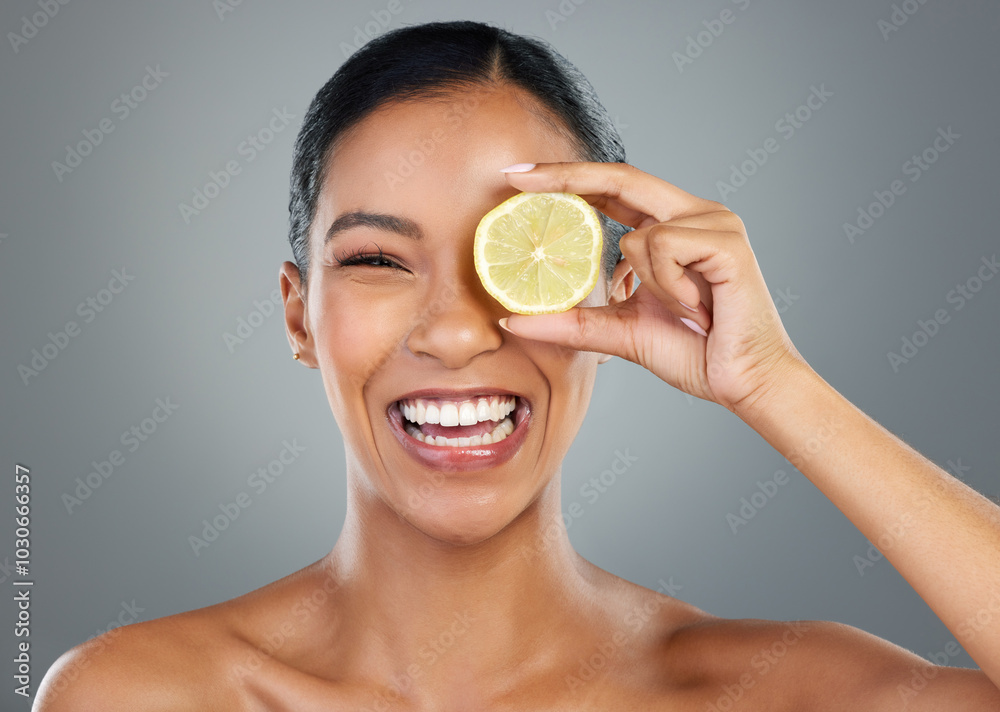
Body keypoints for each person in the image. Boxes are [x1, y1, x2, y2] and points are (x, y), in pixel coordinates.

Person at [34, 19, 1000, 711]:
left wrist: (773, 384)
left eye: (516, 257)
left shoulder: (772, 694)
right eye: (377, 260)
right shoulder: (143, 694)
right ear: (299, 315)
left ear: (612, 285)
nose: (456, 333)